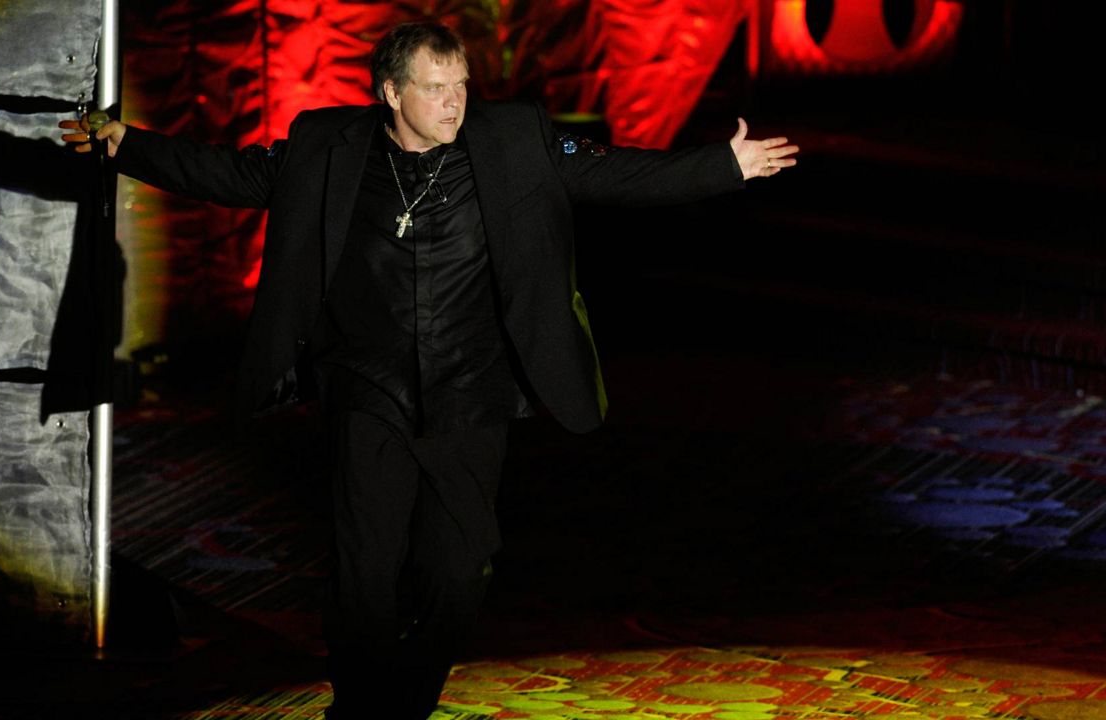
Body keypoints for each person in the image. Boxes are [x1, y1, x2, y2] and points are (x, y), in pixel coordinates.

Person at [62, 20, 796, 720]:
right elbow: (228, 172)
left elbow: (617, 174)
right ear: (390, 92)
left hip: (470, 390)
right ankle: (362, 706)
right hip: (368, 387)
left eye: (461, 86)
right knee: (364, 572)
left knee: (458, 568)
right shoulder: (328, 144)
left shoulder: (511, 140)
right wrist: (126, 143)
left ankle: (404, 697)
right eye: (435, 88)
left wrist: (723, 165)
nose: (454, 102)